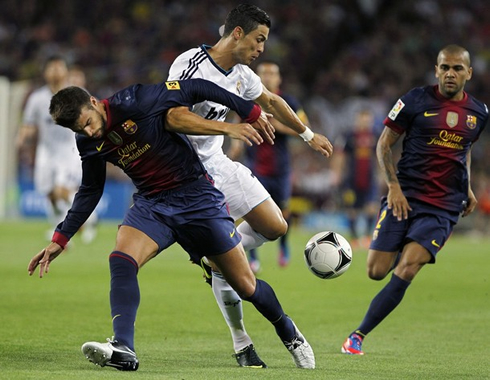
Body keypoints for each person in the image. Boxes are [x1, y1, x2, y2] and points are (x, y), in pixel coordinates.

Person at [27, 78, 315, 371]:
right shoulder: (87, 140)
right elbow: (90, 189)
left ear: (93, 102)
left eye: (87, 123)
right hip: (153, 205)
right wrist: (60, 238)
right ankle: (123, 347)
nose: (88, 131)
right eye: (79, 129)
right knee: (121, 259)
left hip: (196, 198)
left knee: (245, 286)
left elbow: (198, 87)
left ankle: (289, 332)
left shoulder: (138, 100)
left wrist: (249, 112)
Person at [167, 4, 332, 368]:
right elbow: (173, 117)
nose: (262, 49)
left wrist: (308, 134)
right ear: (237, 33)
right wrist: (229, 128)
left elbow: (271, 101)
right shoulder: (190, 64)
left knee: (275, 225)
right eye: (259, 40)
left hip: (220, 164)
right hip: (185, 175)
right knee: (237, 273)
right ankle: (242, 342)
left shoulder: (241, 75)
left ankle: (219, 257)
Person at [341, 44, 488, 355]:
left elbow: (465, 149)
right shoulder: (413, 101)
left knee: (407, 268)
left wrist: (469, 186)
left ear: (469, 73)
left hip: (444, 206)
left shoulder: (479, 113)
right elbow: (383, 145)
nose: (450, 73)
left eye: (457, 68)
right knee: (376, 271)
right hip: (403, 197)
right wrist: (392, 186)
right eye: (445, 67)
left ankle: (358, 335)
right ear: (436, 70)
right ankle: (402, 242)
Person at [228, 61, 310, 272]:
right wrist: (235, 149)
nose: (267, 77)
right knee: (253, 211)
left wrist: (277, 126)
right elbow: (239, 125)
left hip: (280, 168)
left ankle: (283, 247)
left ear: (279, 78)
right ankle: (253, 258)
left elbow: (303, 127)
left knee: (283, 212)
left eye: (272, 73)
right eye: (263, 73)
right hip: (255, 166)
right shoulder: (247, 99)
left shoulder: (288, 101)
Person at [16, 56, 81, 239]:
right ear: (45, 73)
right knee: (50, 194)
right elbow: (28, 124)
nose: (55, 72)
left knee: (61, 190)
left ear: (66, 71)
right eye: (51, 68)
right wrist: (21, 138)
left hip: (69, 150)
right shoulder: (37, 98)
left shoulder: (76, 94)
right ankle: (70, 223)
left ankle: (64, 230)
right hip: (46, 151)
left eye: (59, 68)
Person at [335, 109, 379, 249]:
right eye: (362, 119)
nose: (365, 122)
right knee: (352, 209)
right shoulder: (349, 136)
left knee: (371, 207)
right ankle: (354, 238)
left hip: (369, 178)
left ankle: (366, 237)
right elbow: (341, 155)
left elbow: (379, 156)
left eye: (368, 120)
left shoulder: (375, 136)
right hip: (352, 178)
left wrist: (382, 174)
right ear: (357, 120)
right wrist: (337, 173)